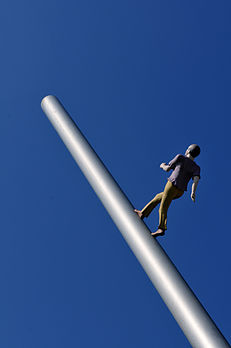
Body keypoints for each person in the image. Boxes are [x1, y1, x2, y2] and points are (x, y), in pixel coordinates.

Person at [134, 144, 201, 238]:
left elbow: (167, 169)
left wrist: (162, 165)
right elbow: (196, 179)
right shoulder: (196, 167)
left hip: (172, 185)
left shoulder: (181, 157)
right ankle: (143, 213)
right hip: (180, 192)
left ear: (188, 151)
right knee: (158, 197)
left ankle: (161, 228)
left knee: (163, 207)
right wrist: (193, 192)